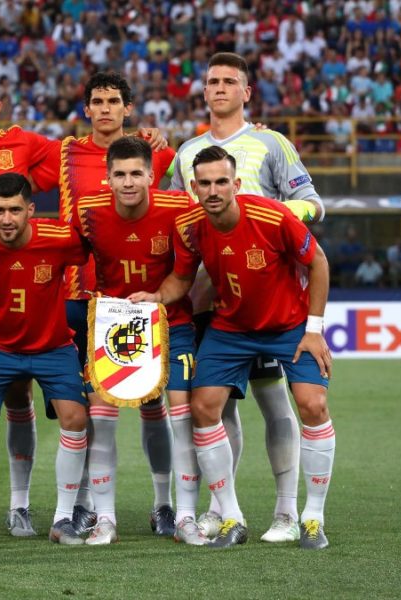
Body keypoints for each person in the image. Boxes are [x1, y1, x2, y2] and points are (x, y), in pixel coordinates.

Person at [131, 146, 335, 550]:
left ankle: (311, 517)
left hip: (290, 325)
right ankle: (232, 516)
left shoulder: (274, 216)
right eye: (204, 183)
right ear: (193, 187)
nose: (212, 190)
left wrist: (314, 329)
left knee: (313, 404)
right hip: (231, 327)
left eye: (221, 181)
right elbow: (182, 279)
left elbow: (319, 263)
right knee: (203, 407)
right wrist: (155, 297)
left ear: (236, 184)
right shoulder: (191, 227)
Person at [168, 52, 324, 543]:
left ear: (245, 91)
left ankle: (285, 511)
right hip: (211, 300)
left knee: (275, 401)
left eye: (229, 81)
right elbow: (176, 215)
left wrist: (269, 214)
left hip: (269, 289)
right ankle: (222, 507)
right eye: (212, 81)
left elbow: (313, 203)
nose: (219, 89)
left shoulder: (270, 142)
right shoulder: (187, 151)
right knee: (217, 406)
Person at [31, 71, 177, 536]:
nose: (106, 108)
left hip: (139, 301)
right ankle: (90, 504)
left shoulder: (156, 151)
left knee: (154, 404)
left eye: (115, 100)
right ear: (87, 109)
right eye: (98, 101)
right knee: (90, 407)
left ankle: (164, 502)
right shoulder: (63, 151)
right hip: (80, 299)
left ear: (128, 108)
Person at [70, 136, 204, 545]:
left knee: (178, 413)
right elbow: (63, 254)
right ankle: (105, 517)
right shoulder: (88, 212)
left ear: (151, 175)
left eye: (136, 174)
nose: (128, 182)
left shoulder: (180, 208)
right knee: (101, 416)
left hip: (169, 323)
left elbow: (186, 274)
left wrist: (157, 298)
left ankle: (177, 512)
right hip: (112, 325)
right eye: (120, 174)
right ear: (107, 178)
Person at [0, 173, 90, 546]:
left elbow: (96, 252)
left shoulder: (60, 238)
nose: (7, 219)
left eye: (15, 210)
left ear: (30, 209)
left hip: (53, 347)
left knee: (76, 418)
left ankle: (63, 519)